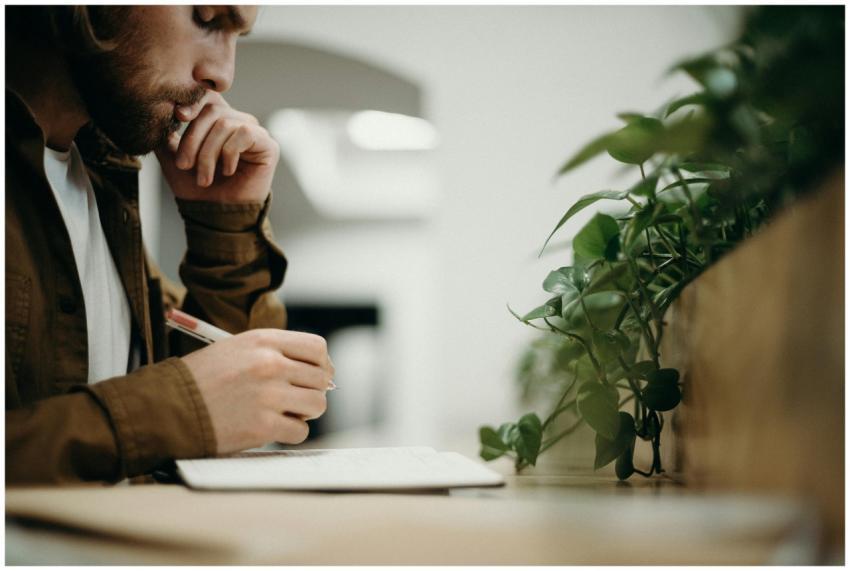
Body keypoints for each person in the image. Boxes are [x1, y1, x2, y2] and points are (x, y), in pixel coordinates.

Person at [5, 5, 333, 484]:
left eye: (237, 34)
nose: (223, 74)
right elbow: (187, 401)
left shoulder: (103, 185)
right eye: (206, 19)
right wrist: (175, 410)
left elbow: (234, 400)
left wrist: (223, 224)